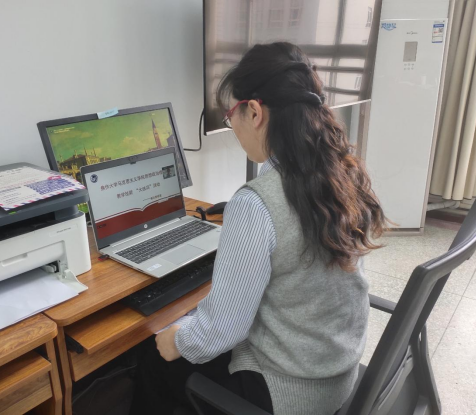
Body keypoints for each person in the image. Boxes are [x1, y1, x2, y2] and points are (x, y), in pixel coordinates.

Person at [130, 42, 388, 415]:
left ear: (254, 112)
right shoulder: (343, 172)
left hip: (286, 393)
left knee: (154, 359)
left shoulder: (255, 204)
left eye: (230, 114)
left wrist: (175, 340)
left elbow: (222, 331)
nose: (231, 126)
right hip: (336, 374)